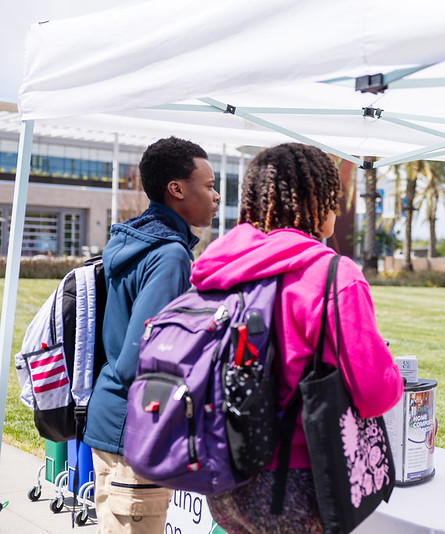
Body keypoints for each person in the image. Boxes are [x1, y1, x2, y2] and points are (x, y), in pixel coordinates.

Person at [189, 142, 404, 533]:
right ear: (311, 200)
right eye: (332, 196)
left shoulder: (218, 265)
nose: (338, 208)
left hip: (222, 471)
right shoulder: (334, 275)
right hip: (293, 481)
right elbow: (376, 395)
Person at [83, 137, 219, 533]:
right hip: (136, 430)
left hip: (113, 418)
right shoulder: (170, 254)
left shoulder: (136, 240)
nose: (214, 197)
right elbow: (143, 358)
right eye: (208, 186)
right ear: (176, 189)